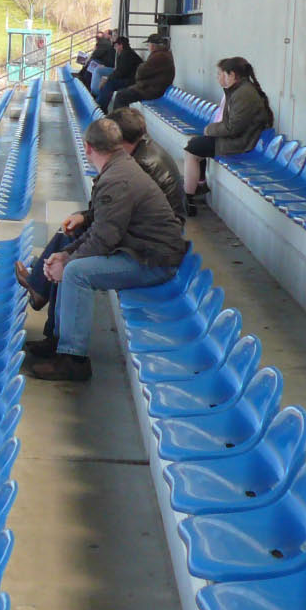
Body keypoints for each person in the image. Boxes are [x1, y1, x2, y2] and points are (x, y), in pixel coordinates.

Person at [27, 119, 188, 382]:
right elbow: (99, 228)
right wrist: (65, 254)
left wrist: (67, 262)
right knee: (70, 262)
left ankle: (73, 360)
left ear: (88, 147)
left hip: (154, 261)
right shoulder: (120, 168)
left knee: (76, 272)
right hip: (140, 250)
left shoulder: (117, 179)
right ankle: (57, 339)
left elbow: (103, 239)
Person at [183, 56, 275, 206]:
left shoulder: (243, 94)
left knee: (193, 148)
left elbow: (233, 127)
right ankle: (198, 186)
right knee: (196, 145)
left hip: (241, 143)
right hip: (239, 138)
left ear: (231, 75)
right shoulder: (239, 90)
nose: (218, 77)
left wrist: (209, 129)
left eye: (220, 73)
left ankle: (189, 198)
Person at [111, 106, 187, 224]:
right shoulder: (143, 145)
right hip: (166, 219)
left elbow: (123, 206)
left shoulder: (142, 164)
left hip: (164, 226)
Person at [109, 33, 175, 112]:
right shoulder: (163, 54)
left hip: (152, 90)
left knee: (121, 96)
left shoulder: (159, 56)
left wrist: (140, 68)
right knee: (122, 93)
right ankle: (122, 117)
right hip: (153, 87)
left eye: (148, 45)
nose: (148, 47)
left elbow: (141, 72)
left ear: (153, 45)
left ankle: (120, 118)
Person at [95, 35, 142, 109]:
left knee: (109, 83)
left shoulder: (126, 54)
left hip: (131, 81)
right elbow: (120, 71)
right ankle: (100, 102)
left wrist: (107, 78)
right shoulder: (128, 53)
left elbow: (120, 73)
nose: (115, 48)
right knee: (108, 82)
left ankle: (101, 106)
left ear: (121, 45)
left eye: (116, 46)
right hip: (130, 79)